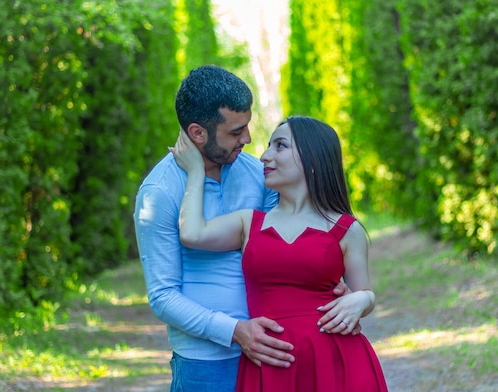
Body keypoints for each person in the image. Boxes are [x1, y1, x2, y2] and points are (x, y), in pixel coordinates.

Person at [133, 65, 353, 392]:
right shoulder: (160, 192)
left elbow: (290, 247)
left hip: (276, 348)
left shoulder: (258, 174)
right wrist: (235, 331)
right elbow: (163, 296)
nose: (248, 139)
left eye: (247, 127)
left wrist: (337, 287)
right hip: (206, 363)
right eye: (236, 132)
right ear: (197, 133)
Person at [171, 116, 388, 391]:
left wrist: (362, 300)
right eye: (268, 146)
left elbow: (364, 293)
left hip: (336, 362)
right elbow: (192, 233)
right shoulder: (249, 223)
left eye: (280, 146)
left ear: (313, 158)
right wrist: (195, 173)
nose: (264, 156)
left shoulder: (347, 229)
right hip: (271, 365)